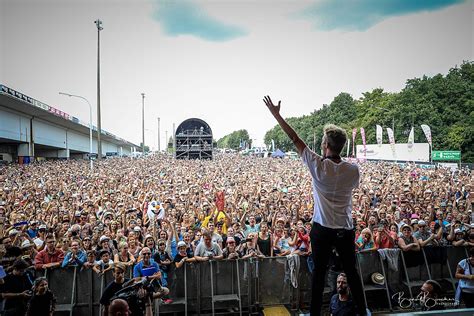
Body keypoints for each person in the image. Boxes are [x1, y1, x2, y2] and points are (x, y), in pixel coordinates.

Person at [263, 95, 368, 316]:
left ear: (326, 145)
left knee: (318, 275)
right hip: (346, 228)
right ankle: (362, 311)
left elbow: (294, 137)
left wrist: (276, 115)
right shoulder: (353, 170)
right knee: (352, 272)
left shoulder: (318, 166)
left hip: (322, 229)